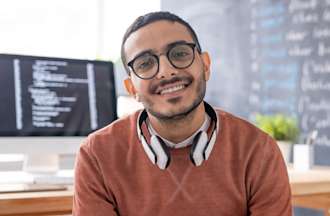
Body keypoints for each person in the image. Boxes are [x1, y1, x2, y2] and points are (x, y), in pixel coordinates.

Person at [73, 11, 292, 216]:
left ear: (205, 66)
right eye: (145, 63)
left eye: (179, 53)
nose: (166, 71)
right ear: (132, 89)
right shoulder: (97, 155)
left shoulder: (258, 149)